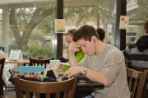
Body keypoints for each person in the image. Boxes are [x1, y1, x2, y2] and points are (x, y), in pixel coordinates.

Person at [64, 25, 130, 98]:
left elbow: (106, 80)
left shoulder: (113, 54)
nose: (83, 50)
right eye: (81, 47)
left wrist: (82, 69)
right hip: (96, 96)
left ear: (94, 39)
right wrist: (70, 53)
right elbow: (76, 68)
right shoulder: (90, 54)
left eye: (84, 45)